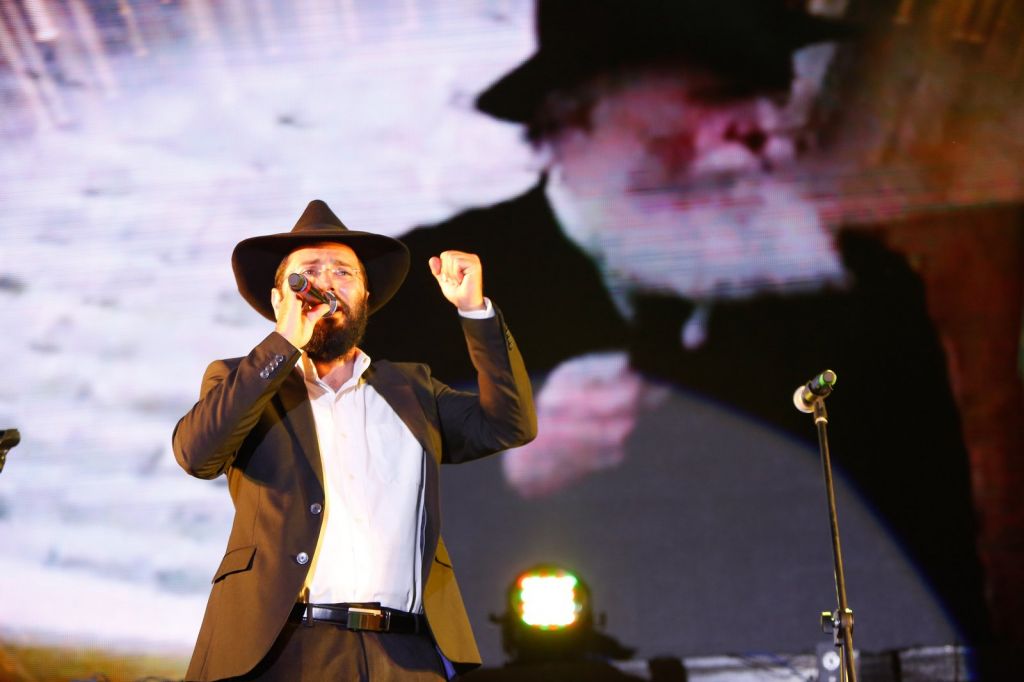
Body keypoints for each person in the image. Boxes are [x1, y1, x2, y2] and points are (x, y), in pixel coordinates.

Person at [364, 0, 992, 649]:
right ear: (580, 115)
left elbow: (934, 542)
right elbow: (354, 519)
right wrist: (507, 461)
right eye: (720, 95)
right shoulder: (416, 290)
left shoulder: (862, 288)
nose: (766, 131)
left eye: (774, 95)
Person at [172, 199, 536, 681]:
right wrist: (284, 343)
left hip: (406, 654)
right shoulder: (244, 382)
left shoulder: (412, 390)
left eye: (343, 273)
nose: (325, 284)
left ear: (366, 296)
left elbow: (511, 423)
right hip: (286, 650)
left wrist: (475, 312)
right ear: (279, 299)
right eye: (308, 273)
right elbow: (197, 454)